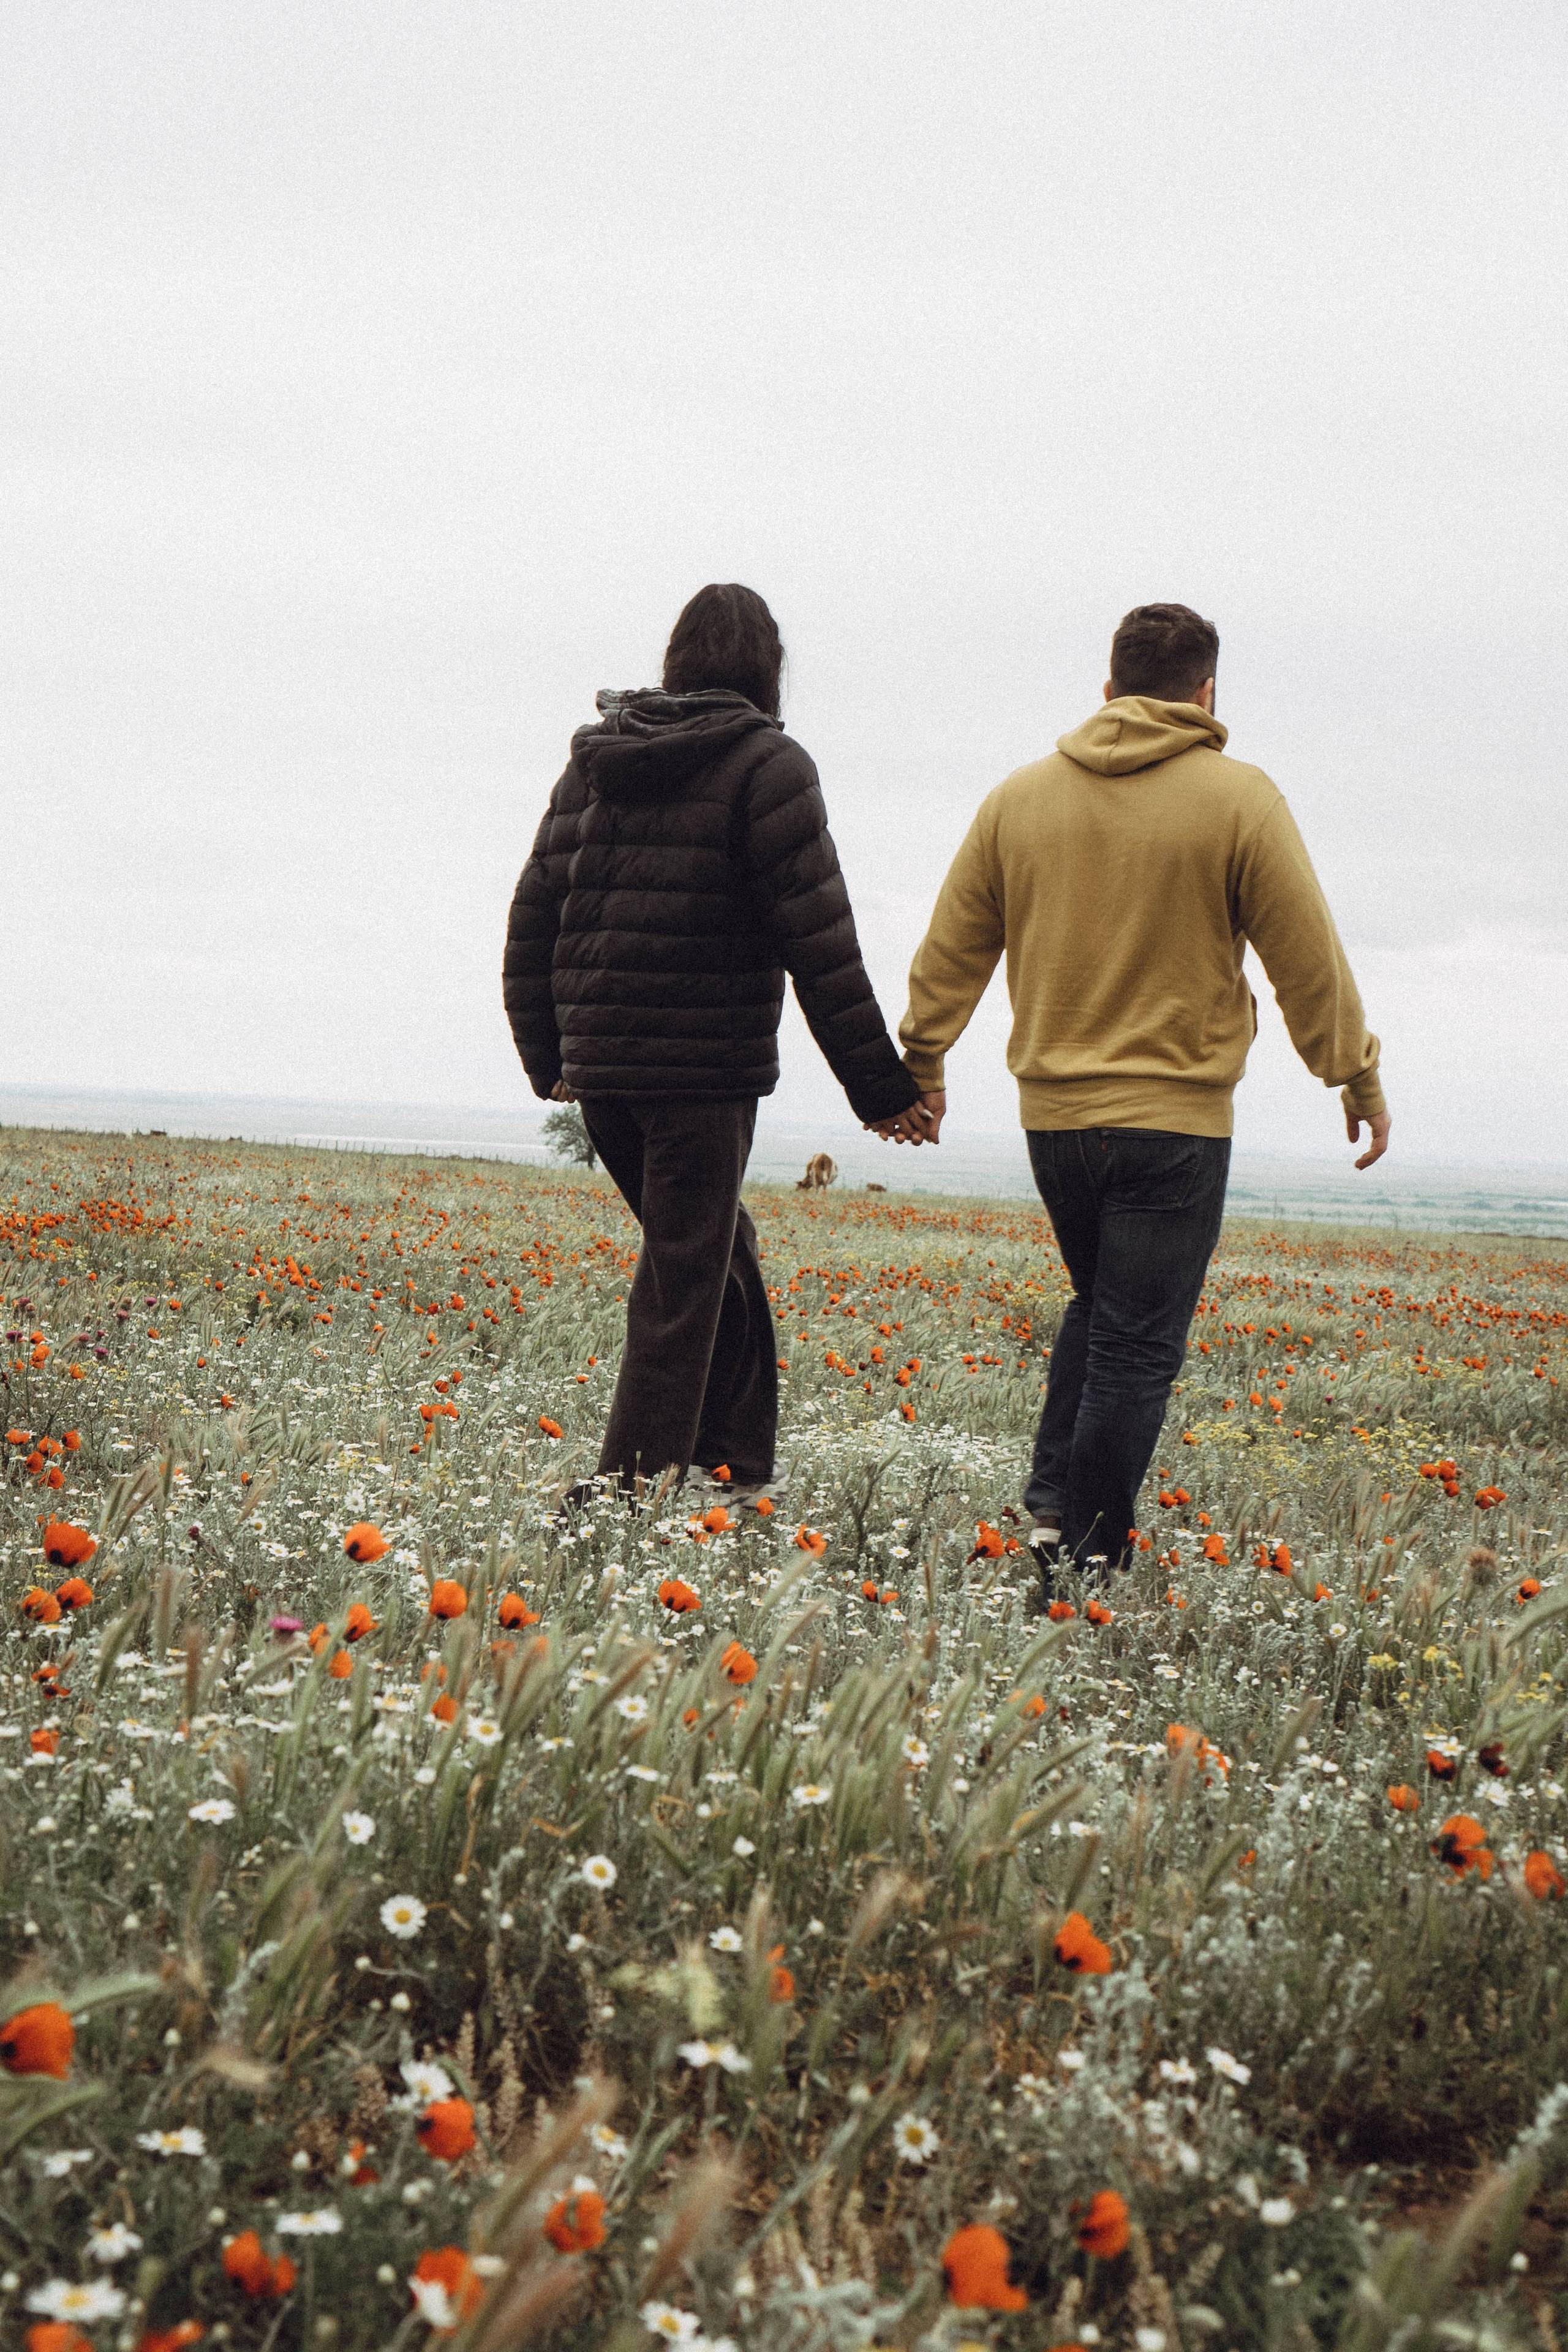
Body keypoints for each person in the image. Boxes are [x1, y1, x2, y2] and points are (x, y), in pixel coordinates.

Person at [896, 602, 1389, 1575]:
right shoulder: (1240, 800)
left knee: (1102, 1307)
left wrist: (924, 1061)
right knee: (1135, 1345)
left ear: (1109, 688)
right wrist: (1354, 1072)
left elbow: (953, 946)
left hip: (1056, 1123)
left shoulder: (1019, 799)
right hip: (1176, 1125)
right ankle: (1088, 1556)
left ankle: (1052, 1509)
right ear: (1206, 694)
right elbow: (1307, 959)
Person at [503, 582, 930, 1505]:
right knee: (684, 1276)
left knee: (712, 1247)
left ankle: (736, 1457)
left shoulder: (598, 763)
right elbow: (822, 943)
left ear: (675, 661)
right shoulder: (769, 766)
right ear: (769, 669)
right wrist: (884, 1089)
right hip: (702, 1073)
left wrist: (549, 1056)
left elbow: (534, 911)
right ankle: (629, 1490)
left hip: (605, 1067)